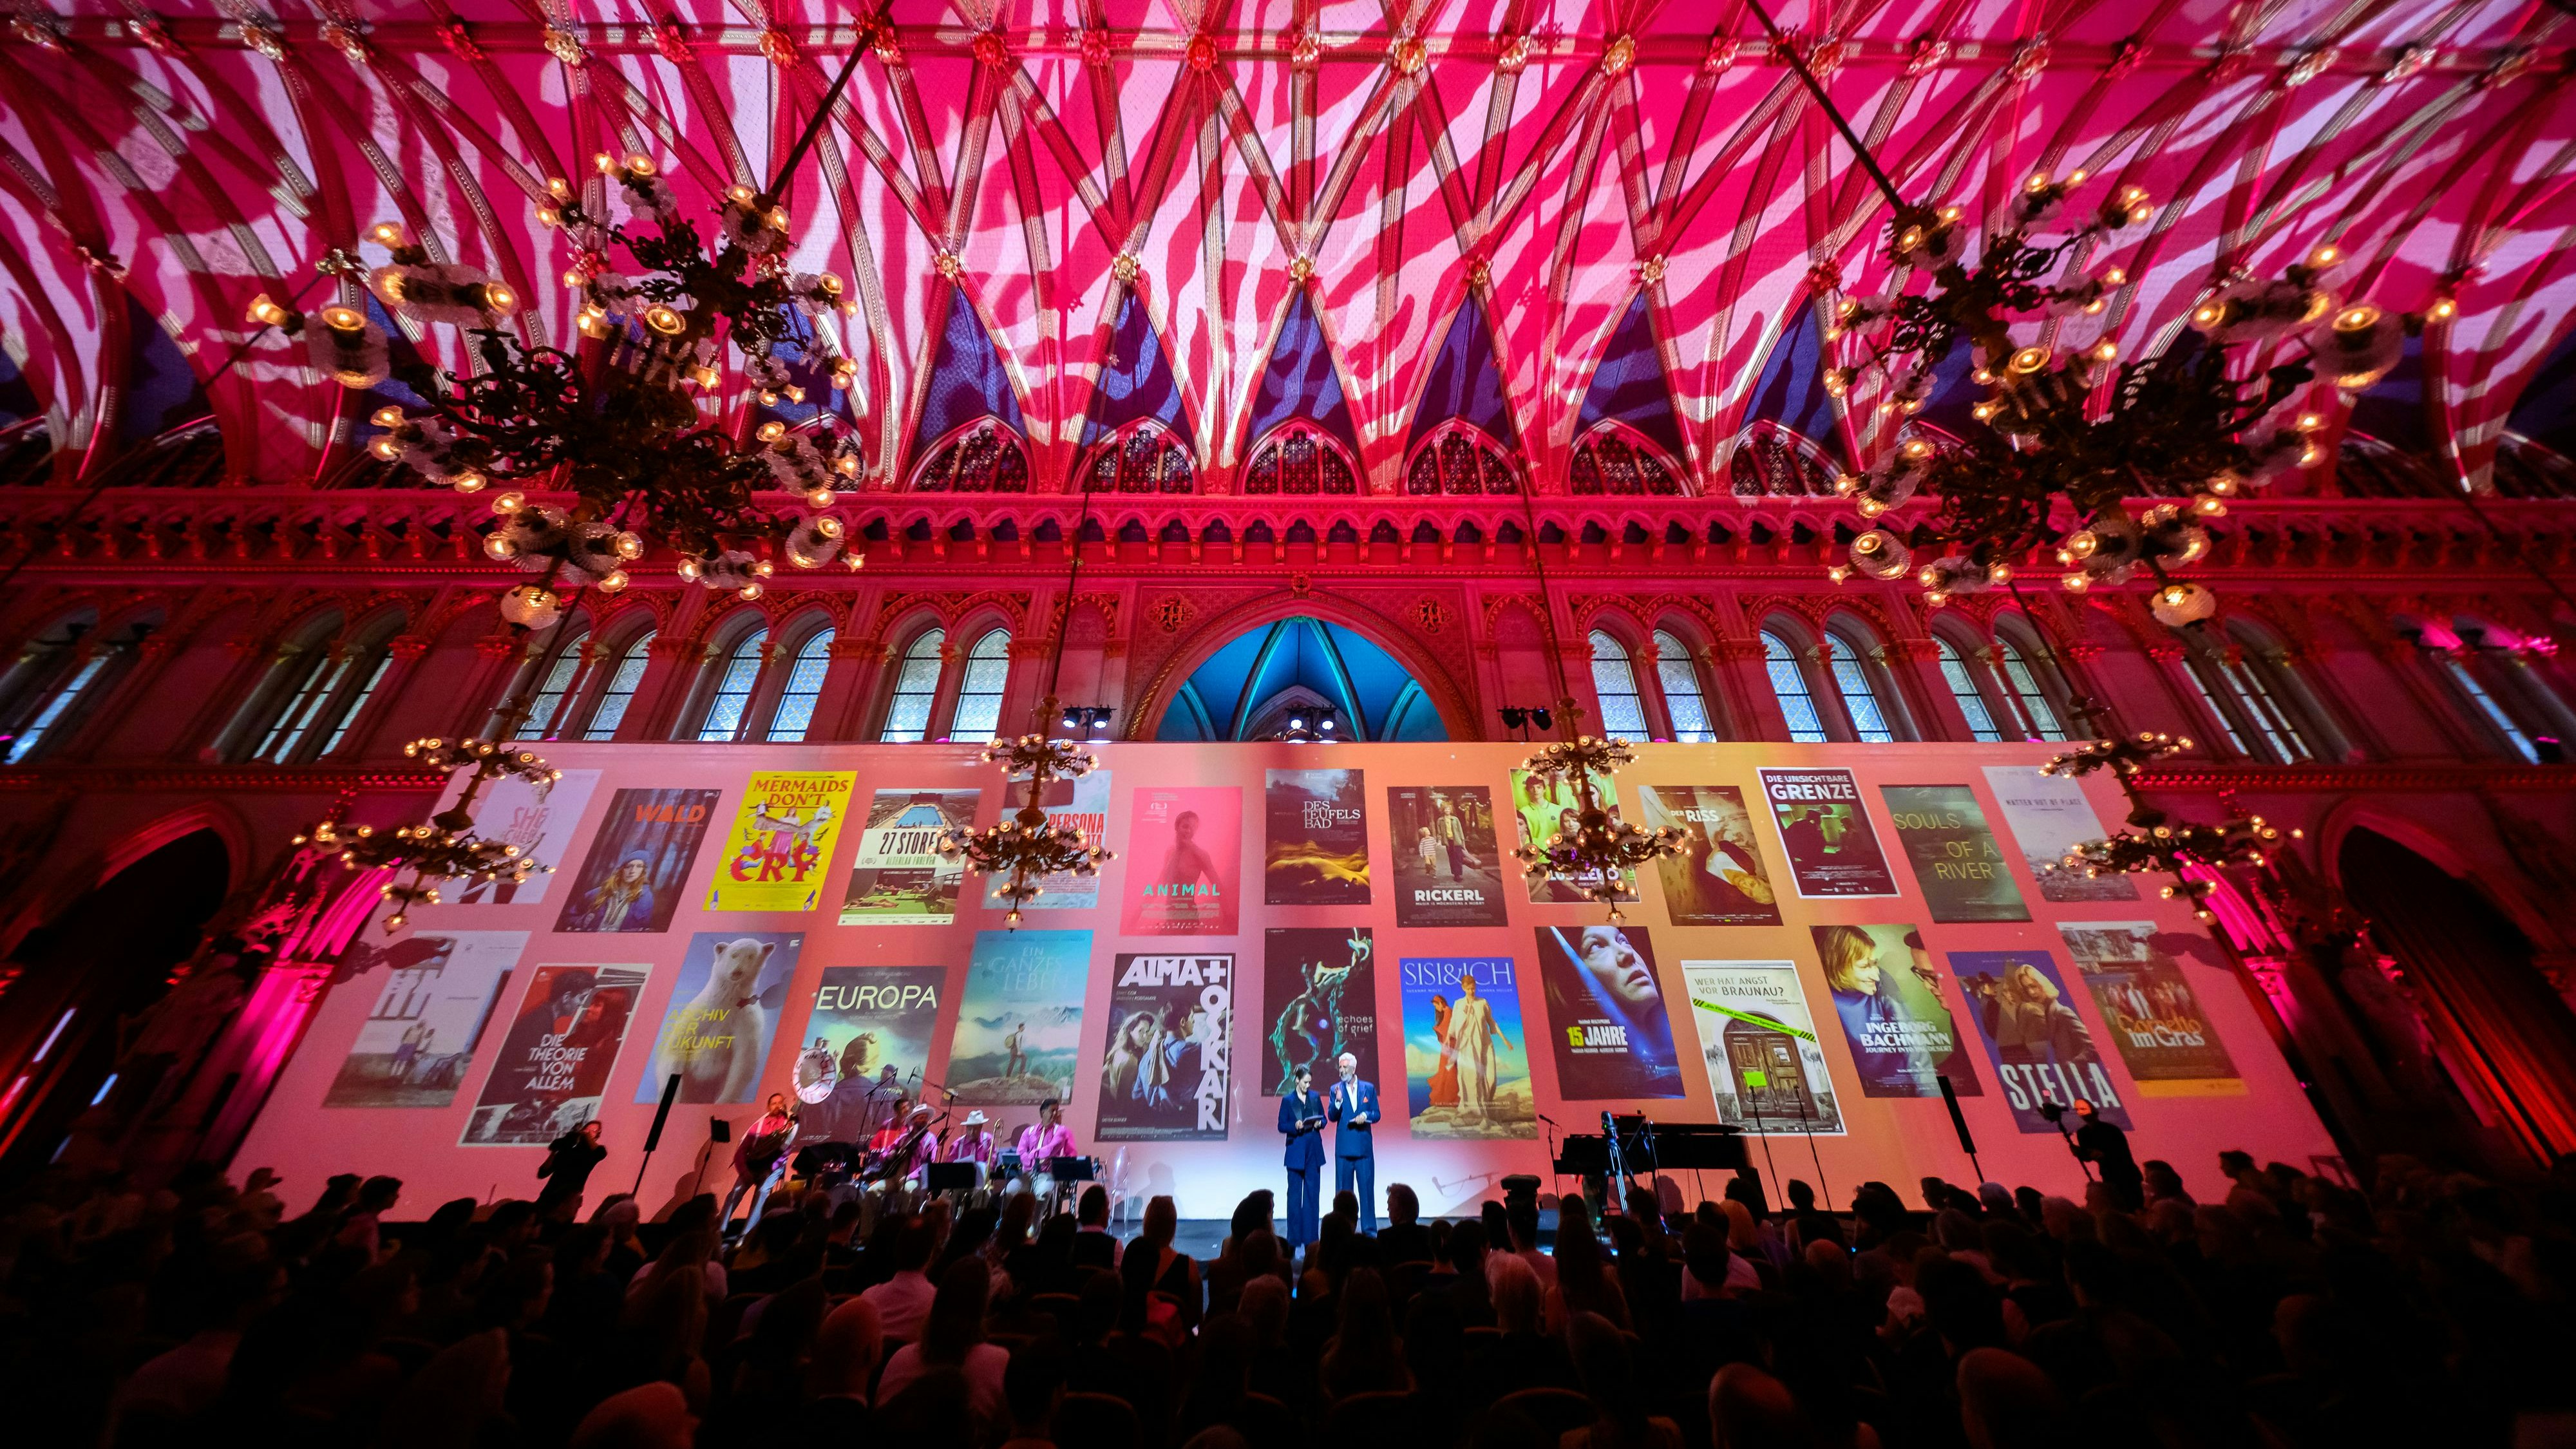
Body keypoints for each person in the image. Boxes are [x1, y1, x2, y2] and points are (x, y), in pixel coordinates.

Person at [1817, 923, 1942, 1095]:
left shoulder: (1882, 979)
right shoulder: (1819, 992)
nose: (1875, 975)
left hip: (1902, 1084)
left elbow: (1913, 1045)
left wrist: (1932, 1097)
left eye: (1874, 964)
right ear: (1836, 965)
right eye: (1864, 967)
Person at [723, 1092, 798, 1235]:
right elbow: (742, 1151)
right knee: (735, 1192)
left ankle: (746, 1235)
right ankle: (721, 1230)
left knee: (763, 1191)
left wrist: (770, 1168)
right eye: (773, 1103)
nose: (777, 1106)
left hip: (772, 1168)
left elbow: (784, 1153)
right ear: (768, 1107)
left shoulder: (788, 1125)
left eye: (780, 1103)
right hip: (753, 1167)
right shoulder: (758, 1126)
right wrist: (744, 1172)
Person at [1328, 1050, 1381, 1233]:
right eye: (1340, 1067)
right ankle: (1344, 1231)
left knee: (1367, 1193)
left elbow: (1377, 1114)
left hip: (1364, 1150)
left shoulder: (1369, 1088)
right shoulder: (1336, 1089)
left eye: (1345, 1067)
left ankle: (1370, 1231)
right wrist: (1337, 1102)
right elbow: (1332, 1116)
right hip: (1343, 1151)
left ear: (1353, 1068)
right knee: (1343, 1195)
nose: (1341, 1071)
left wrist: (1366, 1115)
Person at [1448, 966, 1510, 1124]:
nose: (1472, 991)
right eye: (1469, 989)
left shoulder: (1482, 1002)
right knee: (1472, 1077)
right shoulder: (1458, 1004)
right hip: (1467, 1046)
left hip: (1484, 1044)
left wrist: (1504, 1039)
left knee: (1491, 1077)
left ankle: (1484, 1108)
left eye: (1474, 988)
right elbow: (1453, 1027)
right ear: (1463, 988)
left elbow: (1492, 1022)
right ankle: (1475, 1112)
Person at [1278, 1064, 1327, 1249]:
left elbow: (1323, 1118)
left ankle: (1311, 1239)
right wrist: (1295, 1126)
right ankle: (1294, 1239)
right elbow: (1281, 1125)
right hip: (1296, 1151)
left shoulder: (1314, 1097)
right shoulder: (1288, 1100)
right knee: (1294, 1197)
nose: (1308, 1085)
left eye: (1310, 1082)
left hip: (1313, 1151)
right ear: (1297, 1080)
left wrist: (1319, 1124)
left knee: (1312, 1197)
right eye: (1305, 1082)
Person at [2072, 1099, 2143, 1209]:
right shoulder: (2083, 1133)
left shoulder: (2111, 1130)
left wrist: (2101, 1155)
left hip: (2126, 1175)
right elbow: (2088, 1157)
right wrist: (2080, 1153)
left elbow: (2121, 1154)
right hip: (2109, 1175)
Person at [537, 1119, 606, 1213]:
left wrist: (586, 1135)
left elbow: (599, 1153)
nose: (588, 1133)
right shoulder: (567, 1149)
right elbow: (542, 1173)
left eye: (593, 1131)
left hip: (569, 1199)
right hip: (549, 1195)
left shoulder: (595, 1152)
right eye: (587, 1130)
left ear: (597, 1136)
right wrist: (553, 1153)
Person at [578, 853, 658, 931]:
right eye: (628, 866)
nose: (632, 871)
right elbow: (570, 916)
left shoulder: (646, 898)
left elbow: (643, 928)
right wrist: (581, 922)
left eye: (639, 866)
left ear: (643, 871)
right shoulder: (599, 892)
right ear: (621, 869)